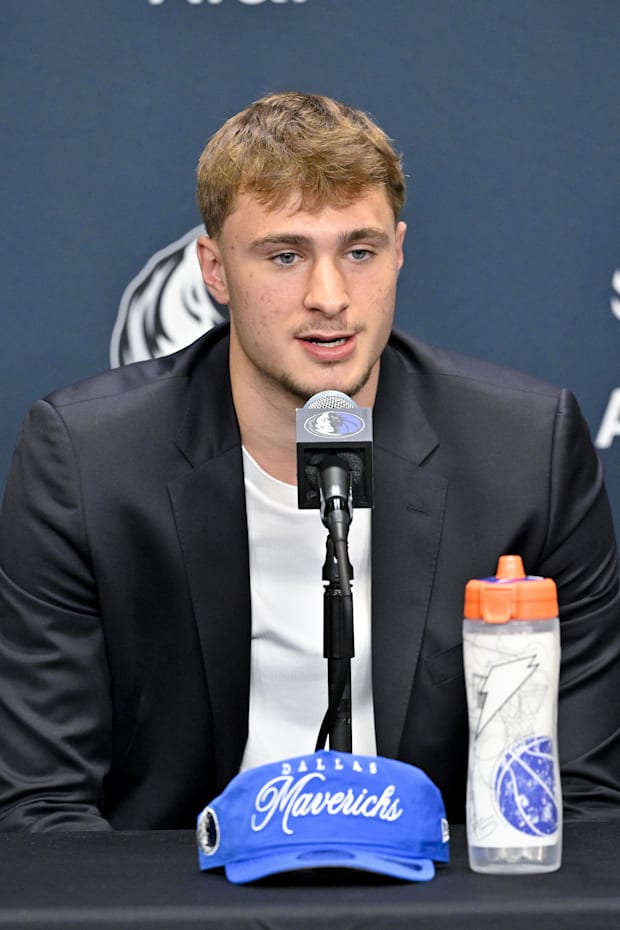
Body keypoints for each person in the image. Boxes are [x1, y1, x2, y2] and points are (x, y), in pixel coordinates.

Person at [0, 92, 619, 832]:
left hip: (439, 901)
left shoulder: (526, 453)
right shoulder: (85, 460)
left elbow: (582, 803)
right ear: (215, 270)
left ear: (398, 252)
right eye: (285, 255)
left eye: (359, 251)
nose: (330, 298)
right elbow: (43, 807)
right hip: (180, 900)